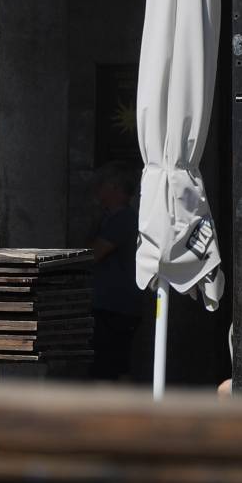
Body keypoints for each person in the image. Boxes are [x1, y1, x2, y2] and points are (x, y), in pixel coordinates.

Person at [85, 161, 143, 381]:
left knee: (109, 366)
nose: (96, 191)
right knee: (112, 365)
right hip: (113, 305)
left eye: (101, 185)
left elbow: (94, 253)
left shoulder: (123, 219)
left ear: (115, 188)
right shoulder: (114, 219)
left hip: (116, 306)